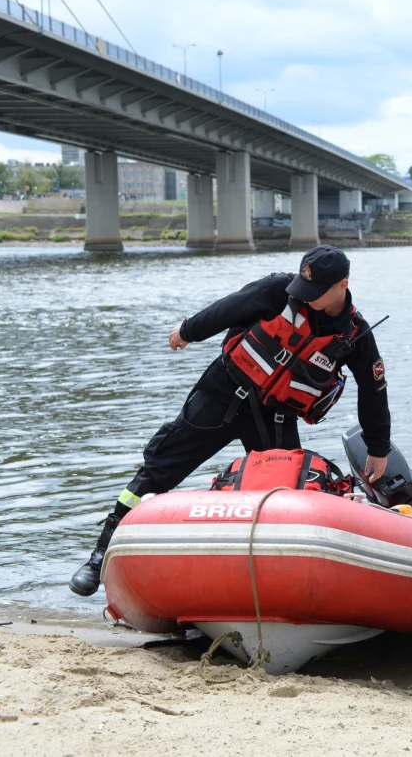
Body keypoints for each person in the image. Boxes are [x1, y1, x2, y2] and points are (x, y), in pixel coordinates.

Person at [69, 246, 391, 596]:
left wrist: (377, 447)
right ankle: (100, 555)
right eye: (304, 286)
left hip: (274, 415)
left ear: (342, 286)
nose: (305, 296)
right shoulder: (279, 290)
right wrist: (188, 331)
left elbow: (373, 391)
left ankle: (272, 580)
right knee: (160, 468)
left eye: (315, 292)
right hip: (223, 392)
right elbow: (228, 308)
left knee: (286, 496)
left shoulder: (356, 335)